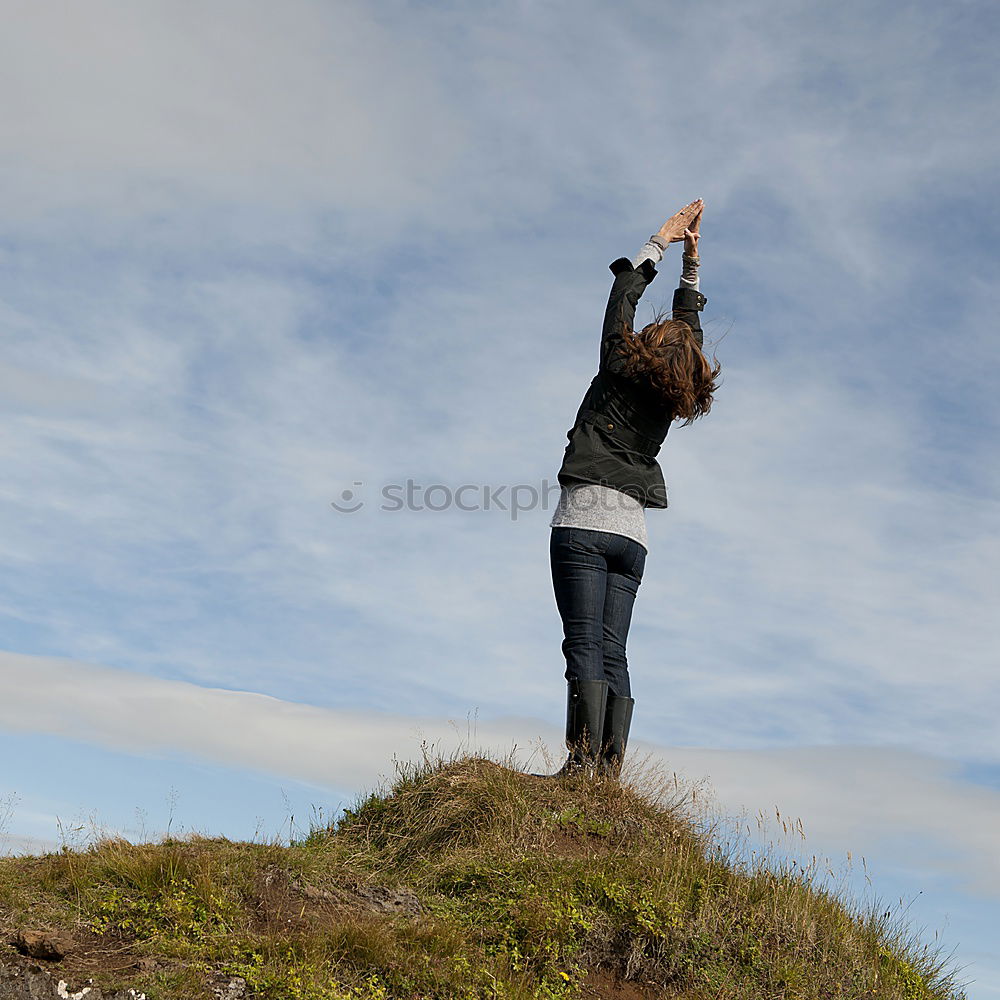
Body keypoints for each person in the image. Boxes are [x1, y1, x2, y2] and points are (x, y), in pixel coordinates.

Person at [538, 198, 720, 780]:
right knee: (613, 649)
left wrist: (658, 243)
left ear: (645, 346)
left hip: (586, 525)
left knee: (583, 645)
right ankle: (608, 774)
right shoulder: (672, 397)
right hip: (633, 538)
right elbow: (686, 334)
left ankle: (581, 763)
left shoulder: (618, 366)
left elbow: (621, 299)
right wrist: (690, 270)